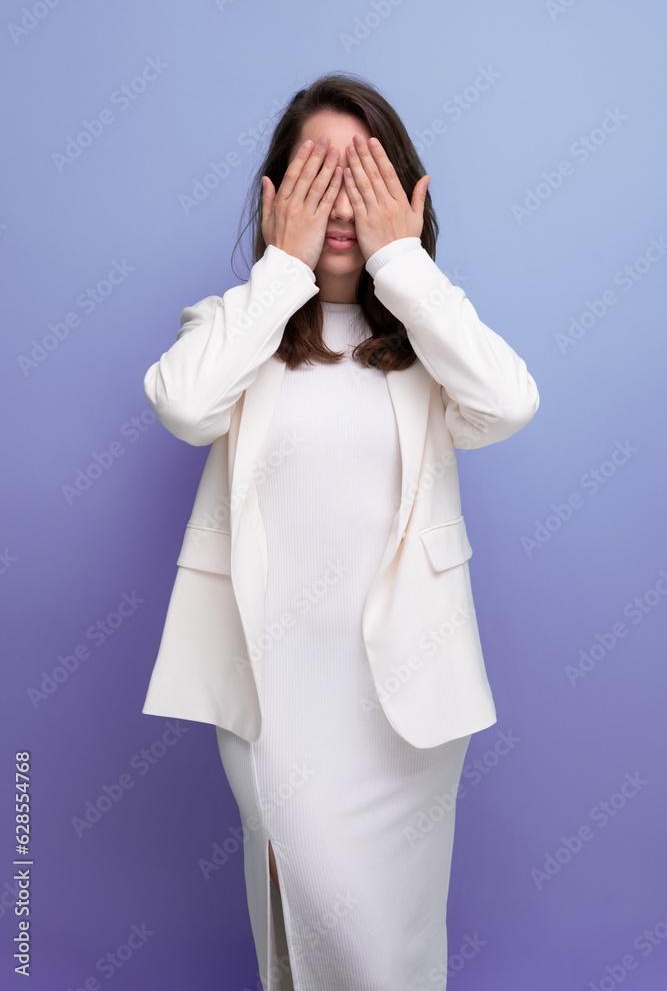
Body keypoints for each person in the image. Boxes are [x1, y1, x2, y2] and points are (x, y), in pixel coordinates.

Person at [141, 72, 540, 990]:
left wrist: (402, 265)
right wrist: (281, 271)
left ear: (404, 194)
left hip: (405, 709)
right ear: (278, 198)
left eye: (363, 176)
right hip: (274, 702)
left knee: (390, 954)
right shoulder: (230, 331)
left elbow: (510, 404)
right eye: (317, 176)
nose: (342, 203)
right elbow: (183, 404)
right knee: (308, 920)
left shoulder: (432, 345)